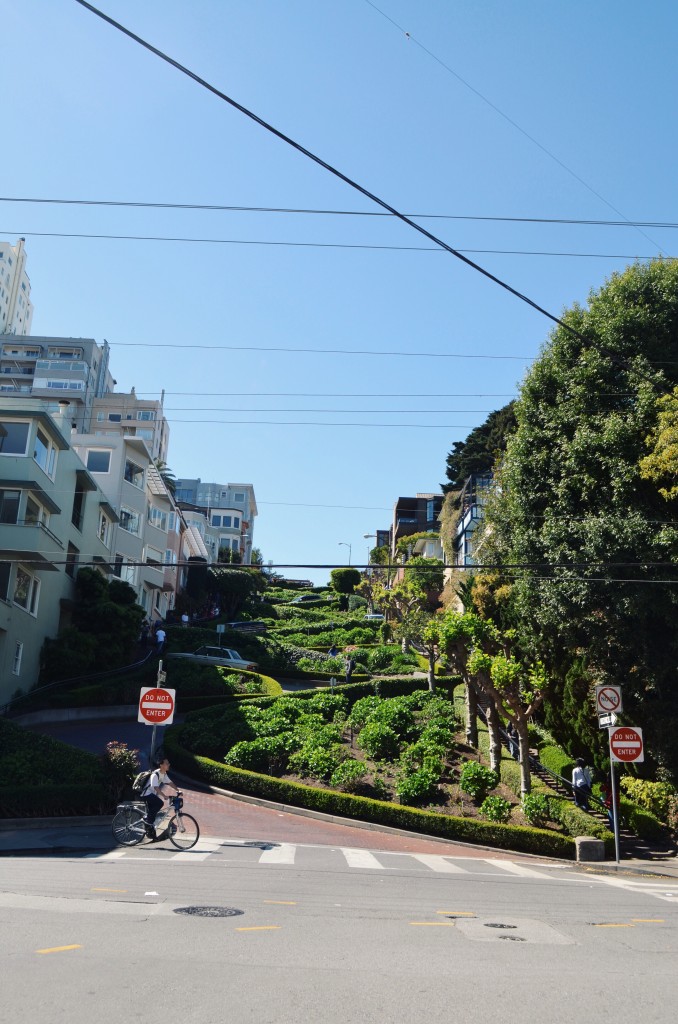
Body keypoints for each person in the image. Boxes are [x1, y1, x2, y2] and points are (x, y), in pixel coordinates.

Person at [141, 758, 181, 840]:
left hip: (152, 795)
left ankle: (150, 832)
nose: (168, 765)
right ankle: (146, 819)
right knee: (159, 803)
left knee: (153, 814)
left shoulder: (164, 774)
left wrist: (178, 790)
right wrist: (164, 795)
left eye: (168, 763)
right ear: (161, 765)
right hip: (146, 794)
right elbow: (155, 787)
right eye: (166, 763)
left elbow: (170, 783)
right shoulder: (155, 774)